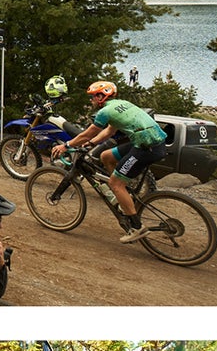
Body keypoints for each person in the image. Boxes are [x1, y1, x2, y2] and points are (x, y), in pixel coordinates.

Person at [50, 80, 170, 241]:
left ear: (101, 96)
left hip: (146, 147)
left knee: (115, 183)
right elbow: (109, 131)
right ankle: (122, 196)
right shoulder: (120, 104)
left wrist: (66, 145)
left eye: (93, 97)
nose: (91, 100)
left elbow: (87, 133)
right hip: (151, 142)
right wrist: (92, 143)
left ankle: (137, 227)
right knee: (106, 156)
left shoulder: (104, 112)